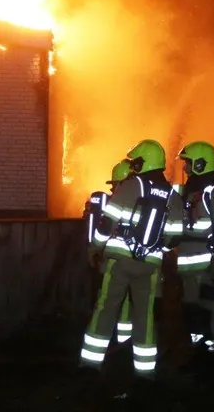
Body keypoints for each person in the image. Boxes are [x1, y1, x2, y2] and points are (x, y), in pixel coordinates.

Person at [78, 139, 187, 399]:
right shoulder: (171, 194)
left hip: (119, 262)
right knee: (145, 317)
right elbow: (174, 238)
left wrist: (95, 248)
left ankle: (90, 367)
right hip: (150, 266)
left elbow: (107, 221)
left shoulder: (131, 185)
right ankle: (145, 375)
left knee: (105, 309)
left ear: (142, 162)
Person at [172, 140, 214, 380]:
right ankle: (201, 357)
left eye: (189, 164)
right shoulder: (190, 191)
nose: (186, 169)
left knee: (213, 314)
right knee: (193, 314)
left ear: (201, 164)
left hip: (212, 266)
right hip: (191, 270)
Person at [83, 159, 134, 344]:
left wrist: (93, 250)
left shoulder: (115, 203)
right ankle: (122, 343)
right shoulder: (138, 203)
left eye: (114, 185)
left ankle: (113, 342)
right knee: (123, 305)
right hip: (122, 265)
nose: (112, 190)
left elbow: (100, 233)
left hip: (110, 263)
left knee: (106, 304)